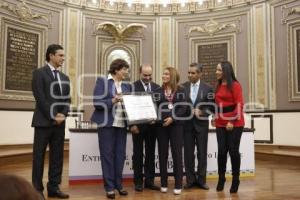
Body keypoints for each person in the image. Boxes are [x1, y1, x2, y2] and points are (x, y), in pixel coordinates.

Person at [31, 44, 71, 199]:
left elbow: (67, 100)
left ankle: (54, 187)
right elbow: (40, 97)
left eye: (63, 55)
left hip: (59, 124)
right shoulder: (39, 73)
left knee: (57, 157)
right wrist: (54, 115)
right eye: (60, 55)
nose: (63, 58)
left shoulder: (65, 78)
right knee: (39, 157)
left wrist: (63, 115)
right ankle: (37, 189)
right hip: (43, 122)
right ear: (51, 56)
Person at [91, 59, 131, 199]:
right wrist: (113, 100)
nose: (127, 72)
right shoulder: (102, 81)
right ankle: (109, 187)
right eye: (125, 69)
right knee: (107, 156)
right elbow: (96, 103)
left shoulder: (127, 86)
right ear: (117, 70)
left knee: (120, 156)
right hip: (106, 125)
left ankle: (118, 185)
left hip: (121, 125)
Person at [211, 61, 245, 193]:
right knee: (221, 151)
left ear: (226, 71)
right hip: (220, 122)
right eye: (216, 70)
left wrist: (232, 120)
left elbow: (239, 104)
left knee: (233, 150)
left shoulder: (235, 85)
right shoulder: (218, 86)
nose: (216, 72)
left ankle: (236, 179)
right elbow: (218, 104)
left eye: (219, 70)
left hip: (235, 123)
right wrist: (215, 116)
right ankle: (221, 178)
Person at [154, 67, 186, 195]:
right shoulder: (157, 91)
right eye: (163, 73)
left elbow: (183, 108)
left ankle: (178, 184)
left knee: (177, 155)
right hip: (161, 126)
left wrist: (172, 118)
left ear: (172, 76)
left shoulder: (181, 90)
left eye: (166, 74)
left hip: (176, 126)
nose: (163, 76)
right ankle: (163, 183)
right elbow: (154, 107)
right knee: (162, 154)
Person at [182, 63, 214, 190]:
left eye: (193, 73)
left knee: (202, 153)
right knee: (188, 154)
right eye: (189, 73)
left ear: (200, 74)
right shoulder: (182, 87)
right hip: (187, 126)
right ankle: (190, 180)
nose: (190, 75)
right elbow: (179, 105)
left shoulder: (208, 88)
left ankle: (201, 180)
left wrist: (202, 112)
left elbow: (212, 107)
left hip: (201, 125)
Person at [130, 64, 160, 192]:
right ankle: (137, 182)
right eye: (145, 75)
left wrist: (157, 118)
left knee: (150, 154)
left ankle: (149, 181)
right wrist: (132, 124)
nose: (148, 78)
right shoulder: (132, 86)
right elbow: (128, 106)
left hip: (152, 127)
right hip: (137, 126)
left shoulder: (157, 87)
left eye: (149, 75)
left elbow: (160, 106)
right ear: (139, 73)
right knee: (137, 154)